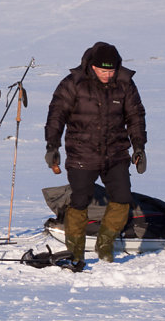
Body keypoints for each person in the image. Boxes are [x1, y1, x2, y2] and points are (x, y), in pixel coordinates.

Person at [45, 42, 147, 264]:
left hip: (116, 153)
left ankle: (105, 243)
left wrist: (139, 146)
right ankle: (76, 251)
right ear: (92, 66)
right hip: (82, 154)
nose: (107, 75)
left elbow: (136, 117)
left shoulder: (125, 84)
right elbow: (56, 116)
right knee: (80, 201)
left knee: (122, 199)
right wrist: (52, 146)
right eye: (103, 71)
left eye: (111, 71)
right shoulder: (73, 84)